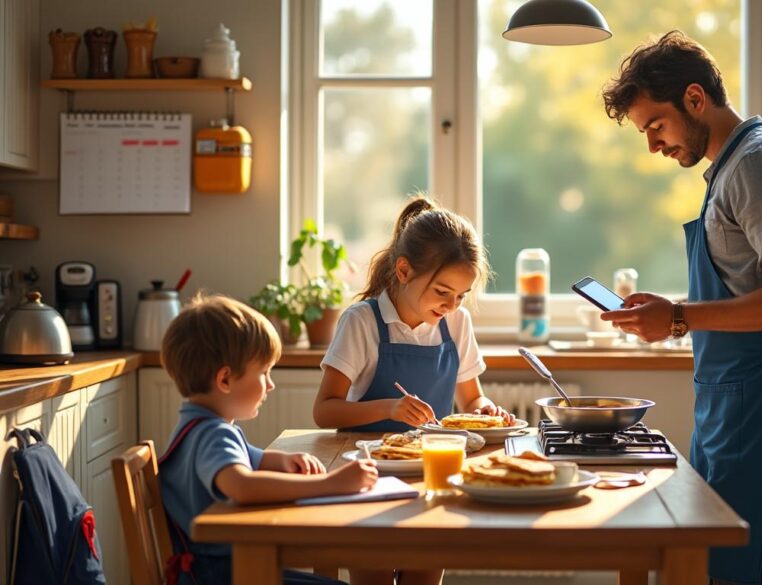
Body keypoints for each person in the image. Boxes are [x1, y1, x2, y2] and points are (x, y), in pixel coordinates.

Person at [601, 31, 762, 585]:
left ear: (695, 100)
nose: (653, 145)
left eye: (656, 125)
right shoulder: (726, 168)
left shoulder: (758, 163)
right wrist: (672, 315)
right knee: (723, 571)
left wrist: (680, 317)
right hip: (731, 406)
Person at [313, 194, 512, 585]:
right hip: (369, 479)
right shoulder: (363, 322)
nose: (452, 305)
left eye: (461, 296)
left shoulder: (455, 324)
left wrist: (485, 410)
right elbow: (325, 410)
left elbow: (472, 397)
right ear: (403, 271)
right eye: (442, 292)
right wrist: (389, 408)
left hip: (432, 479)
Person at [159, 294, 379, 585]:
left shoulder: (202, 425)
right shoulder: (212, 433)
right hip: (222, 576)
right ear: (225, 380)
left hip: (224, 570)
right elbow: (242, 486)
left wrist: (286, 460)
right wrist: (332, 484)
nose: (271, 384)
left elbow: (255, 459)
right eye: (264, 372)